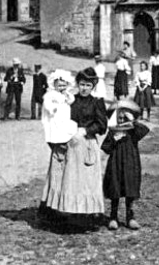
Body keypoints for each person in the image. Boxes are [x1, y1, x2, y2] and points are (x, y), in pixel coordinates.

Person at [40, 67, 108, 222]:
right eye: (82, 84)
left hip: (86, 144)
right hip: (68, 142)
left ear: (93, 86)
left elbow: (102, 125)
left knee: (85, 181)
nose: (84, 88)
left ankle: (87, 213)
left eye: (88, 85)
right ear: (77, 84)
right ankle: (65, 211)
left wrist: (85, 131)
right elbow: (57, 118)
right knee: (67, 179)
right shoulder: (70, 99)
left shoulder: (97, 102)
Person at [101, 98, 149, 231]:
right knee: (115, 187)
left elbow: (144, 130)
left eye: (125, 116)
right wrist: (114, 139)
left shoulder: (133, 131)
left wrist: (132, 122)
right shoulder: (113, 131)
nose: (122, 119)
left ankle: (130, 216)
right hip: (115, 163)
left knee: (130, 187)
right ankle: (113, 216)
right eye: (119, 117)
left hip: (131, 162)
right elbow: (105, 147)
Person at [42, 69, 78, 145]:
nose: (62, 88)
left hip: (64, 114)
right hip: (55, 114)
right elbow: (46, 103)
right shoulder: (51, 94)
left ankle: (64, 139)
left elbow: (71, 101)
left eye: (64, 86)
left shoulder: (66, 93)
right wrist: (51, 108)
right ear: (54, 85)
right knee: (55, 127)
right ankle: (56, 140)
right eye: (59, 86)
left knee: (64, 127)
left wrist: (68, 96)